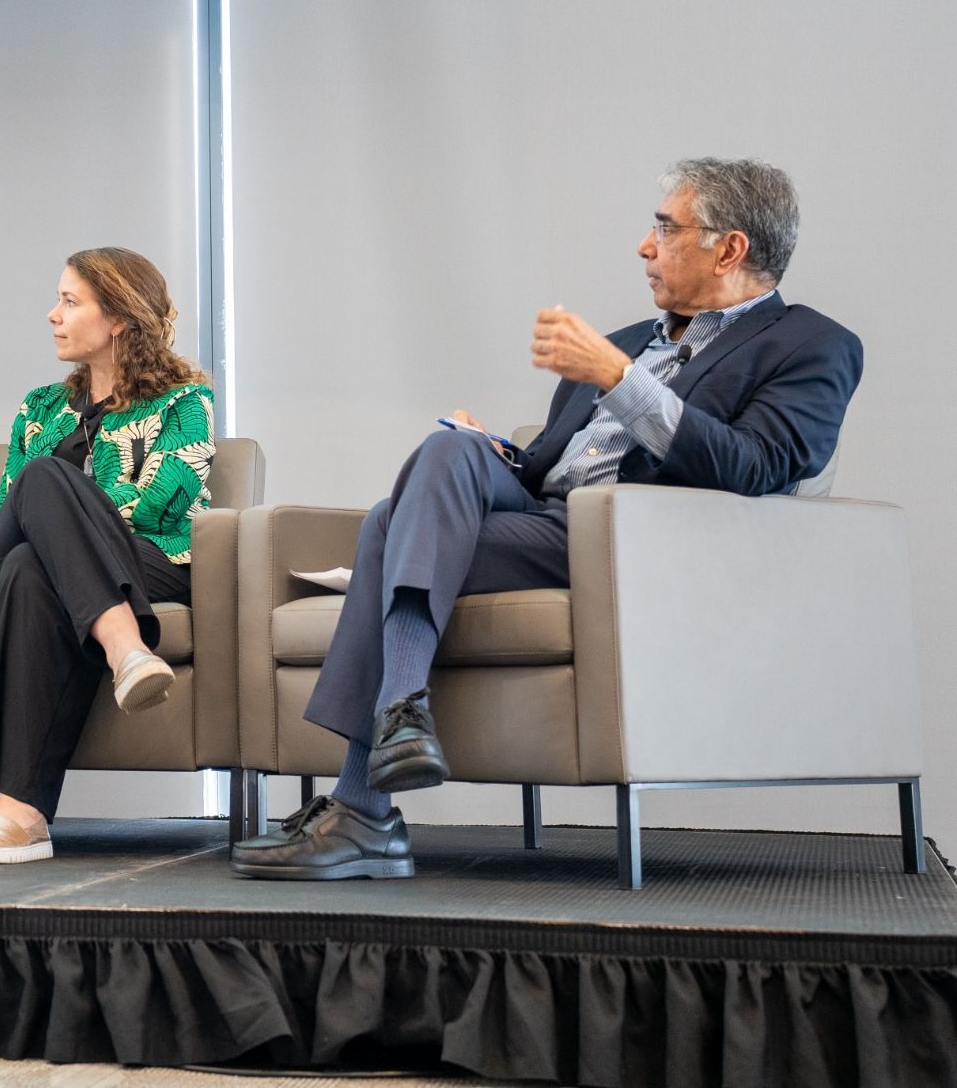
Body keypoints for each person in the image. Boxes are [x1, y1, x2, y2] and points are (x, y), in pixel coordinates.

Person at [232, 158, 864, 881]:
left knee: (386, 524)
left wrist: (620, 381)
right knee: (445, 454)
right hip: (543, 518)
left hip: (626, 540)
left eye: (666, 227)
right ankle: (397, 727)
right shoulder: (629, 340)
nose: (644, 245)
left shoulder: (811, 344)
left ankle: (365, 806)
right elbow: (540, 468)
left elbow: (758, 465)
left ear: (730, 249)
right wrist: (492, 447)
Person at [0, 247, 216, 864]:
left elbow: (162, 508)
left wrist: (49, 511)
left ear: (119, 318)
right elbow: (8, 506)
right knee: (38, 490)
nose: (53, 314)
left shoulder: (184, 403)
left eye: (70, 302)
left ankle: (20, 815)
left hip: (148, 562)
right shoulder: (39, 407)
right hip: (50, 562)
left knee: (28, 567)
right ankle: (126, 648)